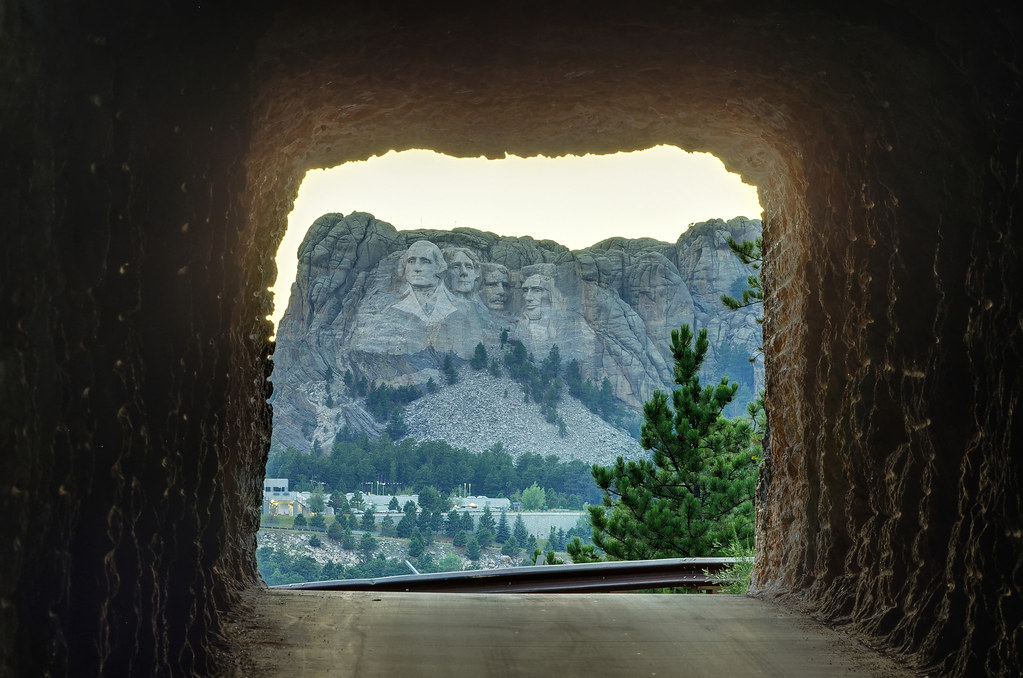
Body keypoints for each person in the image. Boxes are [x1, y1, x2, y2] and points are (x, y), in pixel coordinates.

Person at [391, 240, 458, 322]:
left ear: (439, 267)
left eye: (425, 262)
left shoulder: (459, 303)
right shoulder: (394, 304)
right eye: (411, 261)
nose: (417, 268)